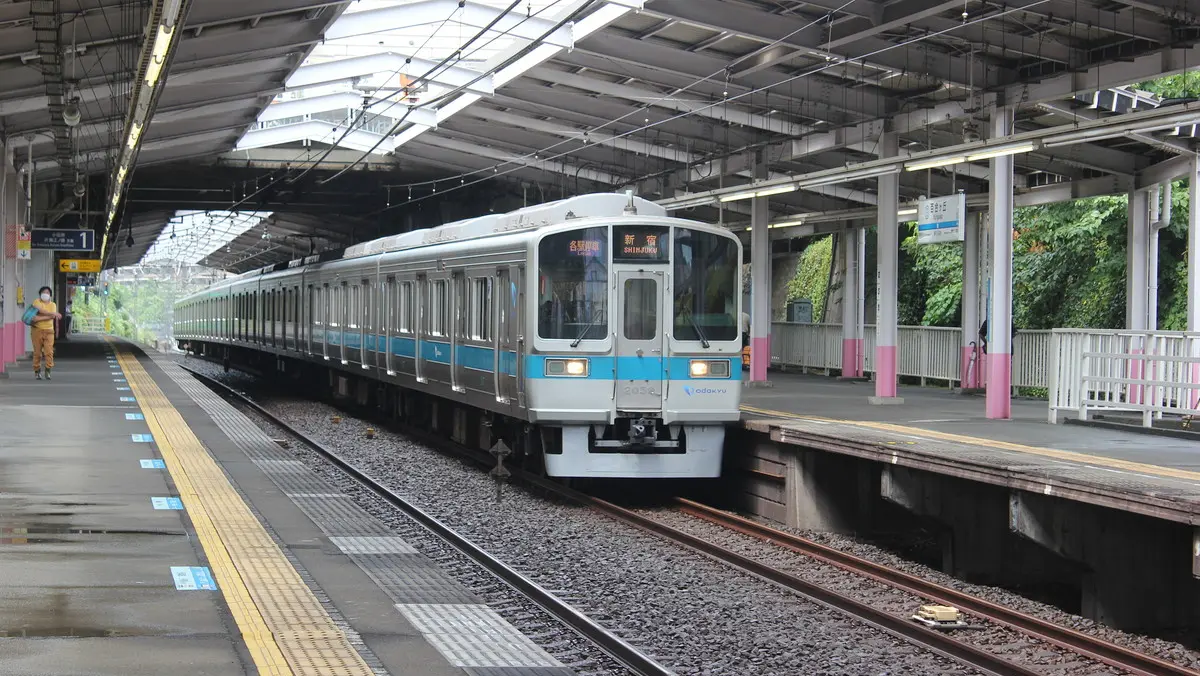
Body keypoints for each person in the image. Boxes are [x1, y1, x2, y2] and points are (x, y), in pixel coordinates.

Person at [31, 286, 61, 380]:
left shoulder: (53, 304)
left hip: (49, 331)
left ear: (50, 295)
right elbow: (40, 310)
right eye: (43, 292)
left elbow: (52, 317)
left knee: (49, 352)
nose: (45, 294)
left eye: (47, 292)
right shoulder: (37, 302)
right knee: (37, 353)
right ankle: (37, 371)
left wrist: (38, 318)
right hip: (37, 330)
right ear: (40, 294)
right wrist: (53, 313)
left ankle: (48, 370)